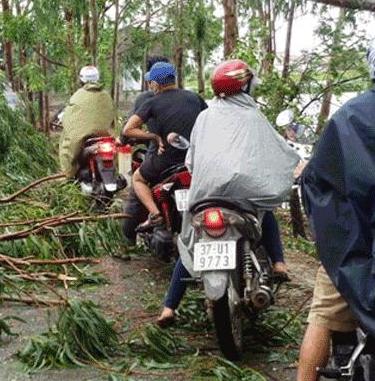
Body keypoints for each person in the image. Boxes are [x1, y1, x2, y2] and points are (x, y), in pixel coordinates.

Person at [158, 59, 300, 327]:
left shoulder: (205, 116)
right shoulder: (253, 116)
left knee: (191, 243)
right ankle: (279, 263)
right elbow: (276, 149)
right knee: (264, 207)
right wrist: (295, 163)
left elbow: (192, 159)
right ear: (245, 86)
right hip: (241, 197)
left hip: (206, 196)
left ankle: (168, 307)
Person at [296, 40, 375, 381]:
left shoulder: (349, 117)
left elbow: (322, 186)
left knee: (323, 315)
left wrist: (345, 251)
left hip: (356, 250)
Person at [121, 61, 208, 242]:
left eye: (150, 82)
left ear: (156, 84)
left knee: (137, 179)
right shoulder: (194, 98)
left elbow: (127, 130)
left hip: (165, 160)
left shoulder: (152, 102)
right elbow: (209, 121)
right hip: (195, 160)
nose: (150, 85)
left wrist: (153, 137)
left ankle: (155, 215)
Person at [58, 65, 117, 179]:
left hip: (84, 138)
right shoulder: (106, 95)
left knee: (66, 151)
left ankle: (67, 177)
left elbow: (69, 119)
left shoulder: (77, 96)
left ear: (81, 80)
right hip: (106, 137)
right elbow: (112, 116)